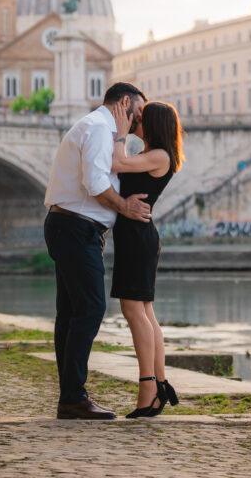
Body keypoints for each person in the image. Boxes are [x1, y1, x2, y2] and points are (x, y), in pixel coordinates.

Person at [43, 82, 150, 420]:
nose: (138, 121)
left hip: (70, 226)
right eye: (139, 113)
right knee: (90, 308)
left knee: (72, 314)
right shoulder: (99, 129)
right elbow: (95, 182)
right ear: (125, 103)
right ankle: (74, 397)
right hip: (76, 227)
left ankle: (70, 397)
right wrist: (126, 207)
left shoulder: (98, 128)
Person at [109, 101, 185, 418]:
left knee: (133, 309)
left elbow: (116, 164)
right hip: (136, 235)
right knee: (144, 311)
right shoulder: (155, 154)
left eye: (141, 118)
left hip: (138, 238)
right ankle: (160, 384)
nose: (136, 121)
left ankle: (149, 388)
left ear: (153, 124)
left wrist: (119, 132)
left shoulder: (159, 156)